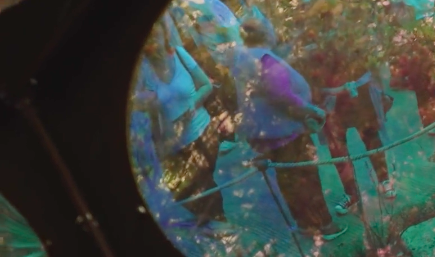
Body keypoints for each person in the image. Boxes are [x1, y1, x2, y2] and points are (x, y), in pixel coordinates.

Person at [229, 18, 347, 240]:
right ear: (266, 34)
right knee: (305, 178)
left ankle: (303, 225)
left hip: (266, 131)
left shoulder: (243, 57)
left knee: (288, 180)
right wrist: (312, 110)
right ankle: (325, 226)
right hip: (283, 131)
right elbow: (281, 95)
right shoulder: (265, 59)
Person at [290, 0, 398, 216]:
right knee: (337, 149)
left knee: (371, 137)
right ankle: (352, 192)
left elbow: (364, 53)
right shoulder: (306, 34)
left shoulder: (346, 18)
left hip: (359, 92)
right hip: (331, 100)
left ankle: (384, 179)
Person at [133, 21, 225, 225]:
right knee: (190, 193)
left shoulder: (180, 55)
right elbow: (141, 104)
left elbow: (206, 85)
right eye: (147, 39)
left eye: (155, 36)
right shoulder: (143, 70)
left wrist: (192, 104)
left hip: (201, 132)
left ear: (164, 36)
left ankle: (220, 226)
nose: (152, 43)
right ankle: (216, 227)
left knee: (203, 187)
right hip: (173, 142)